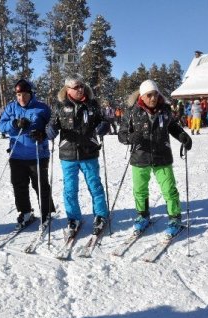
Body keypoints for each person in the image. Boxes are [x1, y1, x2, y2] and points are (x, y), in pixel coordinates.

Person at [118, 79, 192, 239]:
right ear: (142, 96)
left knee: (169, 189)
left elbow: (172, 126)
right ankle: (142, 216)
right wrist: (131, 138)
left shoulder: (165, 110)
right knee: (139, 190)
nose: (153, 98)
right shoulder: (132, 111)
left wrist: (182, 136)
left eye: (156, 94)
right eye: (149, 95)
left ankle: (175, 219)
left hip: (161, 155)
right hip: (140, 156)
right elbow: (122, 134)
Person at [45, 75, 111, 236]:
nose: (80, 89)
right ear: (67, 89)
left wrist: (104, 126)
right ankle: (73, 218)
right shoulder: (60, 106)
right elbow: (51, 125)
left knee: (95, 186)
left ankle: (101, 215)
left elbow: (104, 121)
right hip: (68, 154)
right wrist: (50, 131)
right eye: (76, 87)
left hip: (89, 152)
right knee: (70, 189)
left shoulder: (92, 105)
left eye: (81, 86)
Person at [0, 79, 55, 228]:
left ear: (31, 94)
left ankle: (46, 212)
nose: (21, 98)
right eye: (18, 95)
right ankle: (26, 212)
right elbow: (1, 126)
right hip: (16, 155)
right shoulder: (10, 108)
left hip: (38, 154)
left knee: (40, 185)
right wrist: (14, 124)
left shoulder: (42, 108)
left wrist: (43, 133)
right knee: (19, 185)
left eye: (24, 94)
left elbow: (53, 127)